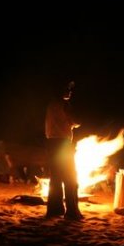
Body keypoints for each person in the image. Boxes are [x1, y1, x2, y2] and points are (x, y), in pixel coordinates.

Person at [44, 80, 83, 220]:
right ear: (61, 91)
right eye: (68, 89)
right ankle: (72, 212)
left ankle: (55, 209)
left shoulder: (50, 105)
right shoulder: (65, 105)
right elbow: (77, 121)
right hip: (63, 144)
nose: (70, 92)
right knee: (70, 178)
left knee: (55, 178)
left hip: (51, 143)